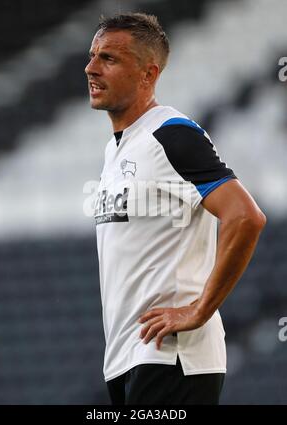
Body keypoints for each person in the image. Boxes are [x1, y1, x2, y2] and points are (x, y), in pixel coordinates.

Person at [85, 12, 266, 405]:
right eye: (93, 55)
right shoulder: (116, 149)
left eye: (108, 59)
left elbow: (246, 216)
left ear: (148, 74)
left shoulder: (171, 133)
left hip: (173, 357)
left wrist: (199, 310)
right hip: (127, 357)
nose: (91, 68)